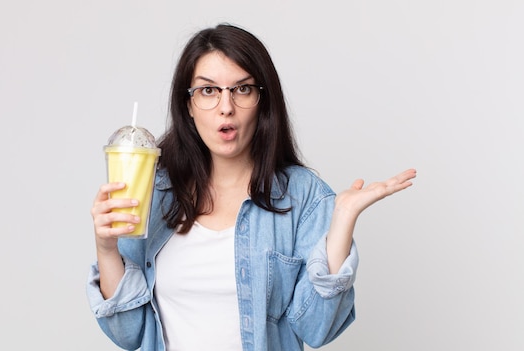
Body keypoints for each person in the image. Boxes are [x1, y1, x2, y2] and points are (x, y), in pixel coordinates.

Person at [87, 23, 416, 351]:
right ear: (187, 105)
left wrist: (342, 220)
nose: (225, 106)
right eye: (208, 90)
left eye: (242, 89)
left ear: (263, 100)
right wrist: (106, 248)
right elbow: (128, 333)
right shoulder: (154, 191)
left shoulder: (303, 196)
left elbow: (316, 329)